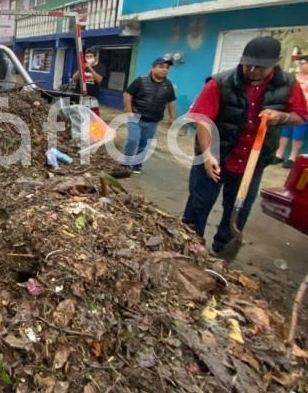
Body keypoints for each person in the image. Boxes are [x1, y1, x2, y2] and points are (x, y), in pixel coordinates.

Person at [182, 36, 308, 253]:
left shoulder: (288, 84)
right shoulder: (219, 83)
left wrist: (281, 117)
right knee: (198, 203)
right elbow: (202, 120)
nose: (252, 70)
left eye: (260, 67)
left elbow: (301, 115)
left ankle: (223, 248)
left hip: (252, 161)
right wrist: (208, 155)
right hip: (217, 155)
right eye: (248, 63)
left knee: (238, 209)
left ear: (275, 62)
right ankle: (190, 244)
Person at [122, 58, 177, 174]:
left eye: (167, 68)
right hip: (136, 117)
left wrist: (172, 118)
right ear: (153, 67)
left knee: (144, 144)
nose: (165, 70)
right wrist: (129, 111)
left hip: (153, 120)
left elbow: (171, 102)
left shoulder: (168, 85)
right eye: (161, 67)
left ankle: (137, 165)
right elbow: (127, 95)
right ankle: (125, 163)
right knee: (132, 140)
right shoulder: (140, 81)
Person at [275, 55, 308, 169]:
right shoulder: (294, 77)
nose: (300, 65)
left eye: (303, 63)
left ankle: (292, 157)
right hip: (290, 110)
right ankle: (279, 154)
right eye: (300, 63)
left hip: (304, 112)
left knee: (297, 135)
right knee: (285, 132)